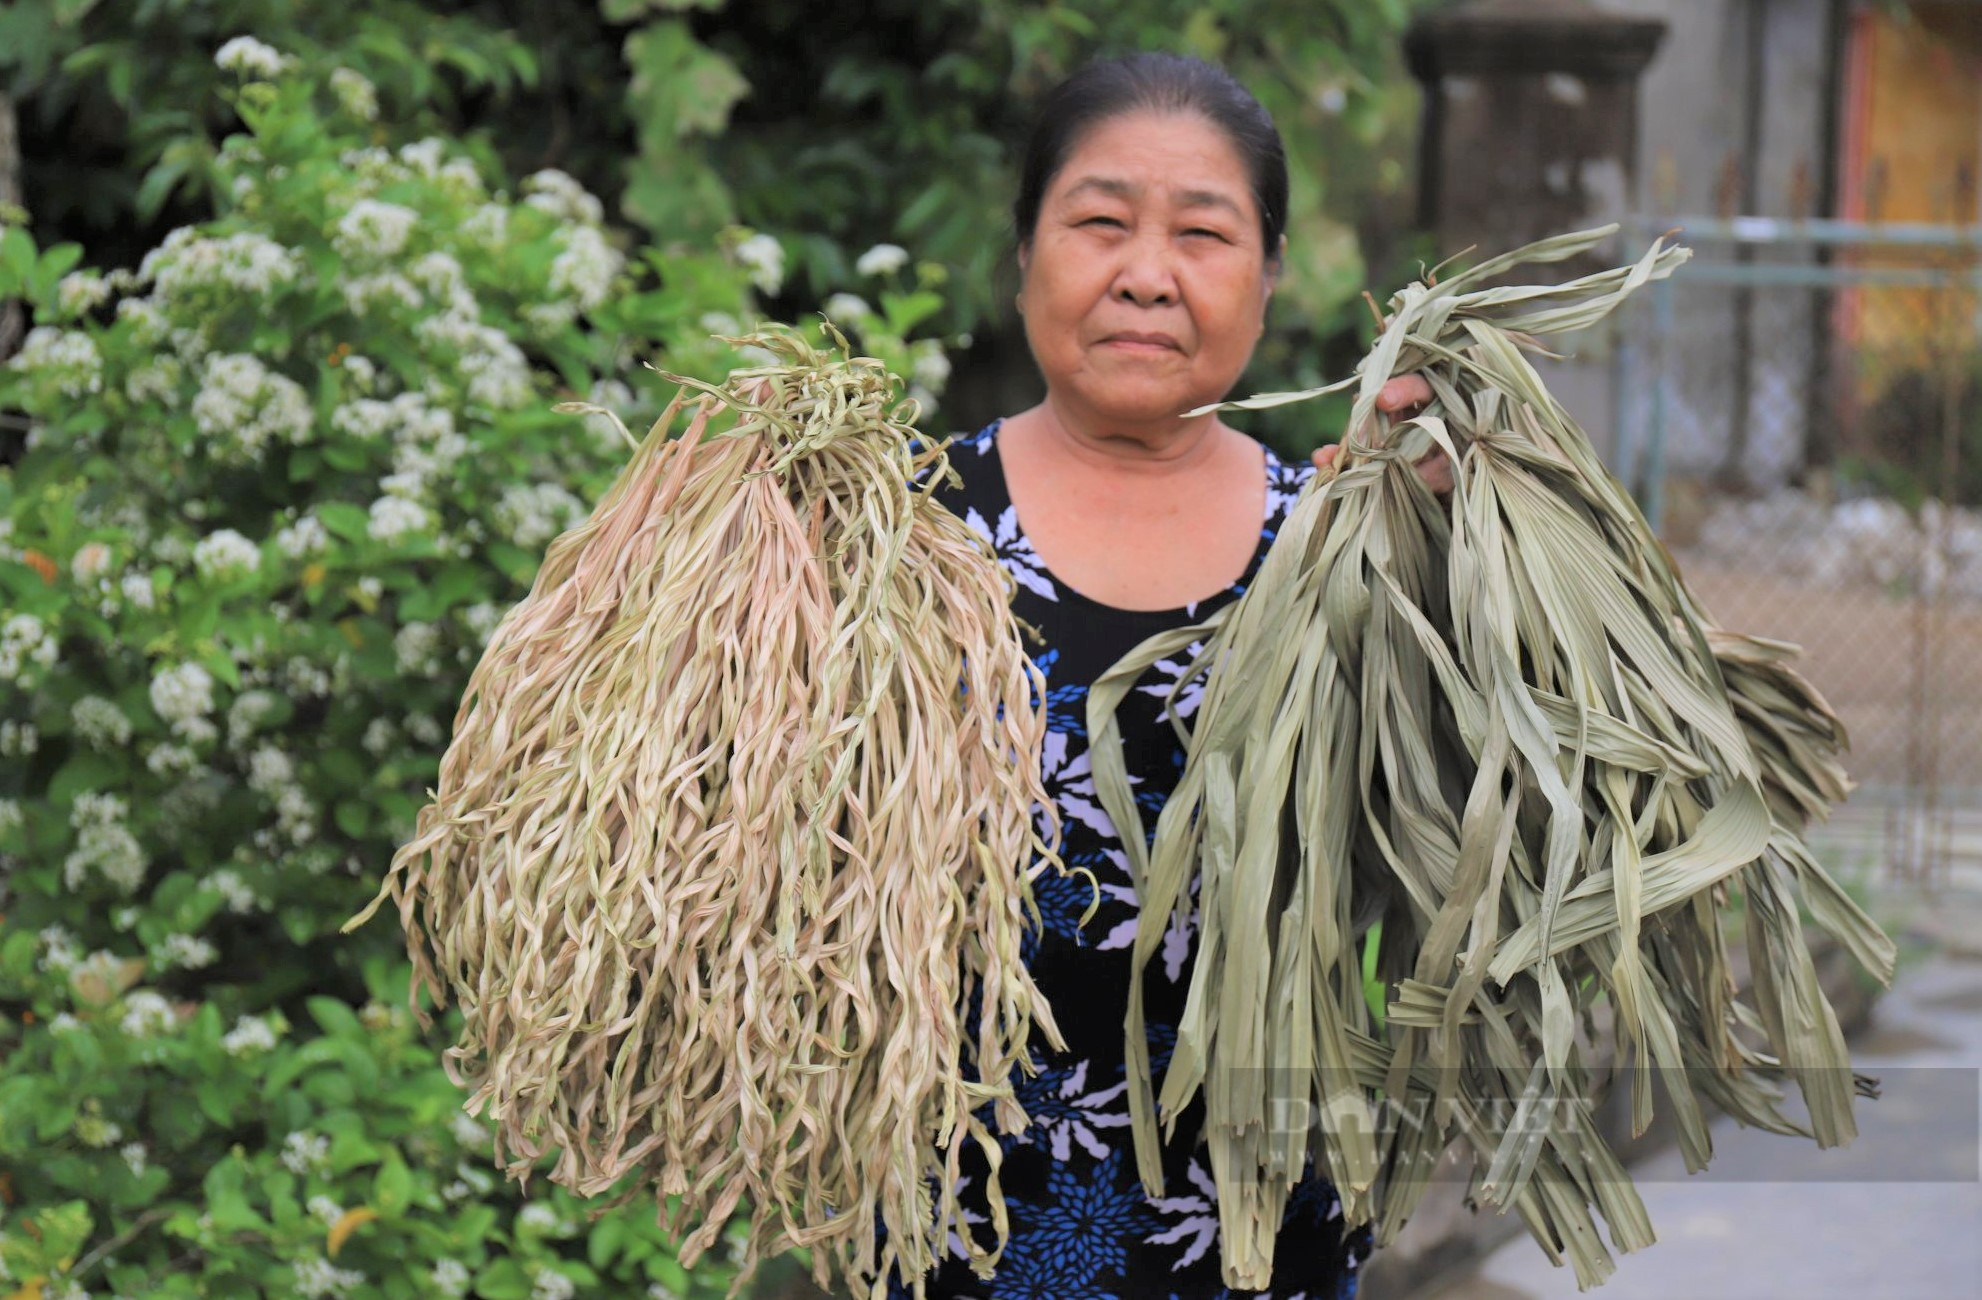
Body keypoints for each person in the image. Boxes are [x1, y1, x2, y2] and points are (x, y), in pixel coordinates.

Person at [892, 51, 1444, 1300]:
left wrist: (1462, 568)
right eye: (1097, 223)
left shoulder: (1342, 542)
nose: (1145, 274)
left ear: (1266, 278)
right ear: (1025, 250)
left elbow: (1473, 852)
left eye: (1202, 233)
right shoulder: (896, 539)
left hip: (1260, 1230)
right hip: (951, 1234)